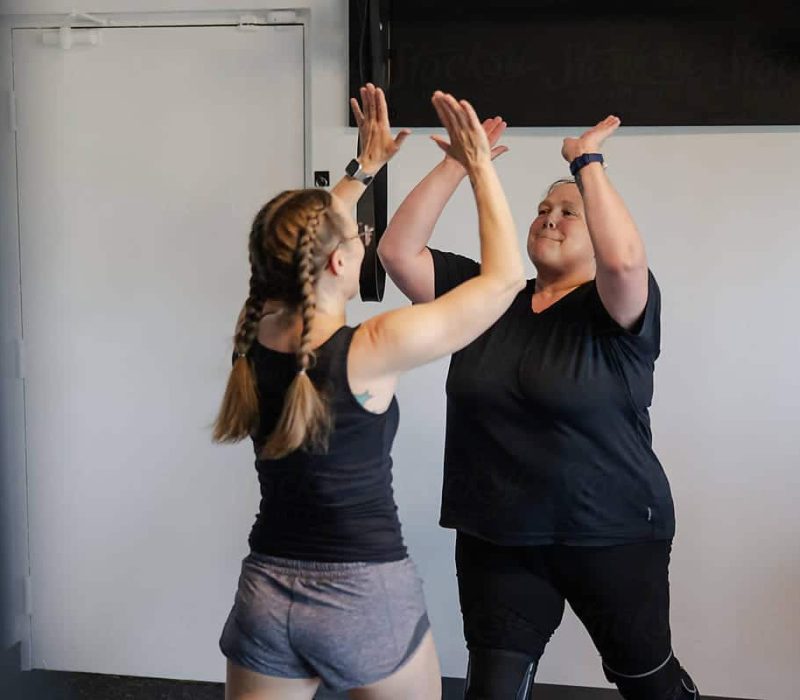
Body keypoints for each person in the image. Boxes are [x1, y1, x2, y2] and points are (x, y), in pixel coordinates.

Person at [212, 84, 525, 700]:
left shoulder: (256, 330)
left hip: (266, 593)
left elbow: (300, 240)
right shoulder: (372, 347)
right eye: (358, 238)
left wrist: (364, 170)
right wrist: (478, 168)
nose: (362, 244)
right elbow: (506, 278)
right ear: (336, 265)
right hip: (364, 596)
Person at [377, 115, 699, 699]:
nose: (549, 217)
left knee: (648, 684)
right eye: (543, 208)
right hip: (499, 535)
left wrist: (586, 164)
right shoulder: (488, 296)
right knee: (493, 690)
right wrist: (462, 163)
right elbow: (398, 252)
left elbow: (624, 262)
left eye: (568, 211)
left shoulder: (617, 308)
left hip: (612, 533)